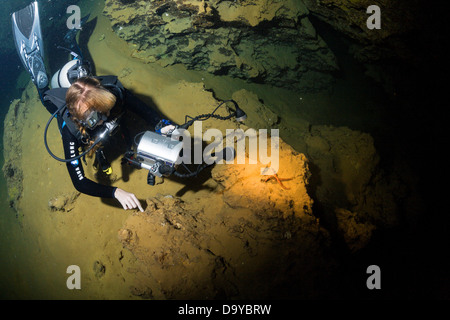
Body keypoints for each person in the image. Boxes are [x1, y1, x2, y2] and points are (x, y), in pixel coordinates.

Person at [11, 1, 174, 212]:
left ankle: (73, 45)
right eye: (99, 115)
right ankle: (40, 80)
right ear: (81, 120)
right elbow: (79, 182)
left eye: (107, 107)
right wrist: (114, 192)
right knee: (46, 98)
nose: (107, 115)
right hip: (62, 102)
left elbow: (142, 108)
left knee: (83, 69)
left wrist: (163, 124)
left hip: (86, 82)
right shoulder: (70, 131)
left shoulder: (112, 93)